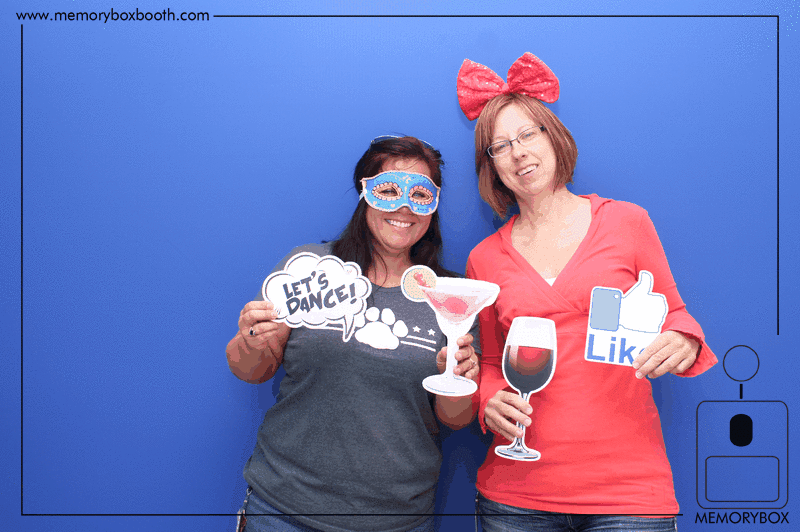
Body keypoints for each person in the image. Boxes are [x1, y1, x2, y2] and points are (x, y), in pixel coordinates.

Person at [457, 53, 718, 531]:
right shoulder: (484, 259)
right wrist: (488, 398)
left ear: (553, 137)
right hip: (516, 497)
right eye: (500, 146)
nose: (518, 153)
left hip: (629, 494)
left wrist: (683, 339)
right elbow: (491, 362)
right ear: (490, 167)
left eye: (528, 134)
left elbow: (677, 316)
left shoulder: (627, 222)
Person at [226, 136, 481, 532]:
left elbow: (455, 420)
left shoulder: (451, 298)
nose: (403, 206)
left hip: (395, 520)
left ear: (433, 206)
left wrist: (460, 379)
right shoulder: (310, 269)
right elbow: (251, 370)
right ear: (365, 194)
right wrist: (250, 340)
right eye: (388, 190)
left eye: (419, 194)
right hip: (283, 509)